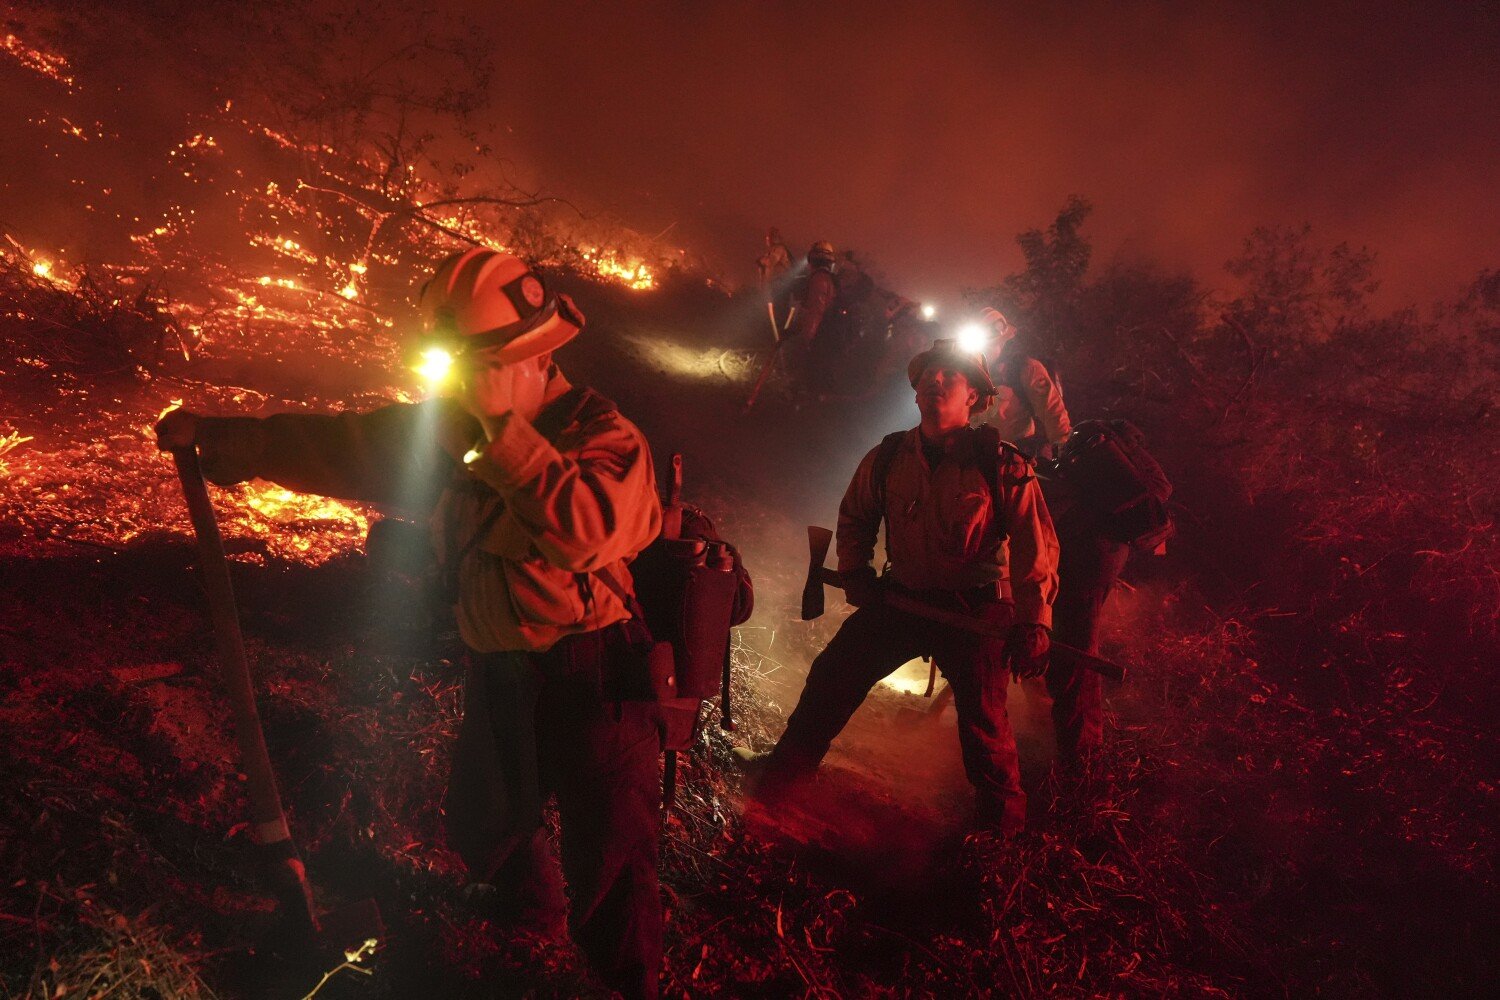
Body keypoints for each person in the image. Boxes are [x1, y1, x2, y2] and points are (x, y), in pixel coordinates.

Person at [156, 248, 667, 999]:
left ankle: (627, 987)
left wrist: (501, 435)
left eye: (469, 366)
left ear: (526, 357)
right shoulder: (460, 428)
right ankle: (530, 930)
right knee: (486, 822)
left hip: (591, 679)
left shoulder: (604, 437)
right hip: (500, 670)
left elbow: (583, 530)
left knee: (614, 865)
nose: (454, 384)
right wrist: (243, 442)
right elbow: (353, 444)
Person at [742, 339, 1060, 837]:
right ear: (914, 395)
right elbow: (855, 517)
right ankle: (782, 778)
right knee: (833, 676)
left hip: (974, 610)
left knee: (984, 724)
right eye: (927, 376)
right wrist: (856, 572)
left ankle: (1002, 836)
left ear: (974, 398)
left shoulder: (1003, 465)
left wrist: (1033, 621)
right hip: (903, 597)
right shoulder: (889, 455)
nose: (935, 382)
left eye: (949, 377)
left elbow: (1034, 550)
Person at [977, 307, 1071, 455]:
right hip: (975, 460)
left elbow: (1052, 411)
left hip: (1018, 459)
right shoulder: (966, 374)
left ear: (1002, 343)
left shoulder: (1024, 368)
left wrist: (1062, 450)